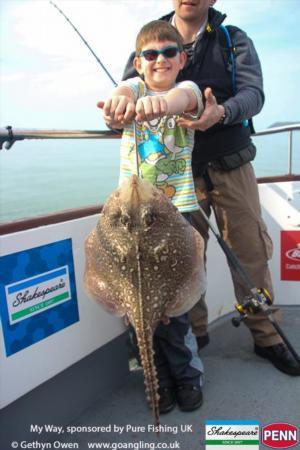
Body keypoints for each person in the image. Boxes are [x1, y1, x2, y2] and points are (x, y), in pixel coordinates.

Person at [120, 0, 300, 376]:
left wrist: (223, 113)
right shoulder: (150, 41)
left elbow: (254, 94)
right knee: (186, 261)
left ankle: (266, 334)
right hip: (173, 179)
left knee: (250, 250)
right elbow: (126, 92)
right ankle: (195, 333)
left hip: (231, 161)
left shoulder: (234, 40)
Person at [102, 19, 206, 413]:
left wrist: (160, 104)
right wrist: (119, 102)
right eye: (150, 54)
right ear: (138, 62)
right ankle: (156, 381)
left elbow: (183, 98)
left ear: (182, 58)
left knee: (174, 316)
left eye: (168, 53)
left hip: (175, 217)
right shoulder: (133, 90)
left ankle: (188, 378)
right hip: (131, 221)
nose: (160, 59)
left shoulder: (188, 89)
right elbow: (124, 90)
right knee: (136, 315)